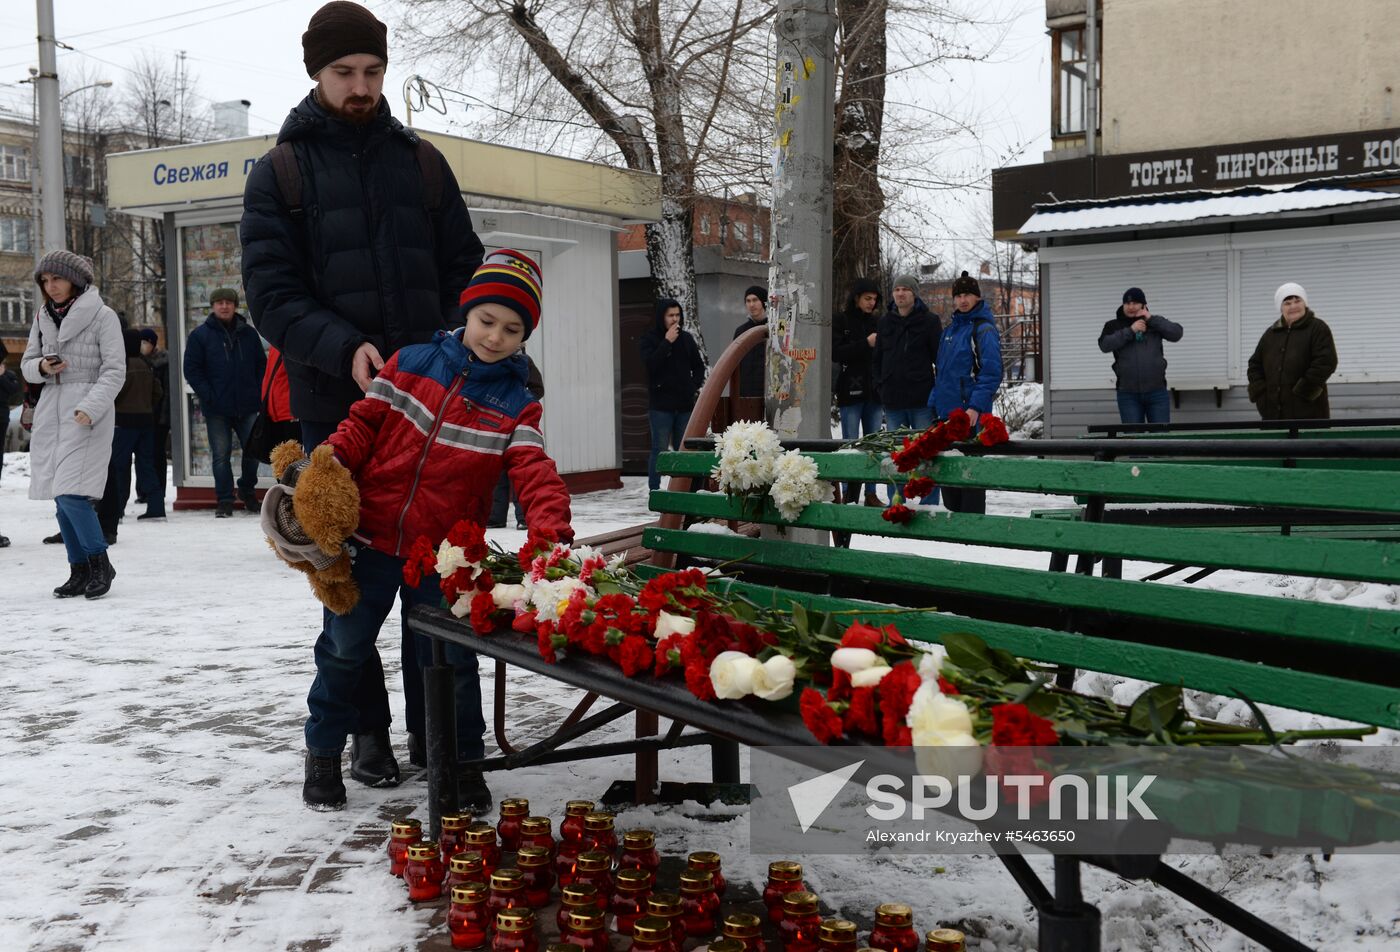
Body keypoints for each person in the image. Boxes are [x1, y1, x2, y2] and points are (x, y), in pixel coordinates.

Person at [241, 0, 485, 788]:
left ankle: (443, 742)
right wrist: (344, 348)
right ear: (316, 71)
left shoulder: (421, 163)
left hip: (434, 415)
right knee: (349, 580)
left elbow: (466, 274)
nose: (361, 86)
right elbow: (270, 295)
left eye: (373, 71)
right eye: (345, 72)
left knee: (434, 574)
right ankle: (366, 737)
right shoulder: (278, 172)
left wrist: (453, 351)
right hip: (335, 410)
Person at [296, 250, 572, 810]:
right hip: (369, 541)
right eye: (486, 320)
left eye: (512, 328)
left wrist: (551, 537)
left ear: (526, 336)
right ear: (466, 313)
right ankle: (323, 751)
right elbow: (362, 425)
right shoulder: (412, 362)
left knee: (450, 662)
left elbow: (536, 475)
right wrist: (328, 462)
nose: (495, 336)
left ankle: (461, 761)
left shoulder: (519, 406)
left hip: (442, 555)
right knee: (343, 650)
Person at [20, 250, 125, 599]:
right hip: (52, 405)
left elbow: (114, 371)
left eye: (57, 279)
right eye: (45, 281)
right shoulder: (42, 316)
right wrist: (43, 369)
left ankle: (99, 562)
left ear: (75, 280)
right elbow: (26, 363)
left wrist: (90, 407)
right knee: (59, 495)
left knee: (72, 492)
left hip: (88, 410)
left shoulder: (103, 315)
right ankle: (78, 568)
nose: (51, 287)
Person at [183, 288, 267, 518]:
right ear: (212, 306)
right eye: (219, 302)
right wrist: (209, 395)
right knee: (221, 455)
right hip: (217, 408)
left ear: (235, 306)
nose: (224, 306)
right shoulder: (200, 336)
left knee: (253, 453)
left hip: (248, 405)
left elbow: (262, 365)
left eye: (229, 302)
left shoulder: (249, 334)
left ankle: (247, 491)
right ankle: (225, 500)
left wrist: (258, 393)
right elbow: (191, 369)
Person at [928, 271, 1003, 515]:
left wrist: (975, 407)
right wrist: (934, 406)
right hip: (946, 417)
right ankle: (955, 538)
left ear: (977, 297)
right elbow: (942, 374)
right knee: (950, 479)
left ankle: (973, 537)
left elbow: (991, 373)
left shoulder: (983, 330)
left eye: (967, 294)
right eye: (958, 295)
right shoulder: (949, 331)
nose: (962, 300)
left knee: (969, 479)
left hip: (970, 417)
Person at [98, 329, 165, 541]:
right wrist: (147, 406)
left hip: (123, 422)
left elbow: (113, 392)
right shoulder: (147, 364)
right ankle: (156, 507)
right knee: (147, 464)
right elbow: (158, 392)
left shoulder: (122, 365)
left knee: (119, 466)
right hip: (146, 421)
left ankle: (117, 509)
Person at [640, 298, 706, 492]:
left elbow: (699, 367)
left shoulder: (686, 339)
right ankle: (654, 490)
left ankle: (684, 490)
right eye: (670, 315)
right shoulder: (650, 339)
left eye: (677, 315)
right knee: (659, 450)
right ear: (662, 317)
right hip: (661, 406)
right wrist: (667, 342)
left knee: (684, 451)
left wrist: (692, 387)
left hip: (684, 405)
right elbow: (650, 365)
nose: (674, 319)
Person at [1247, 282, 1338, 420]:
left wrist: (1304, 392)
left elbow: (1326, 362)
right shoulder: (1271, 334)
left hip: (1309, 412)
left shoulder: (1317, 328)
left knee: (1308, 442)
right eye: (1287, 303)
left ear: (1305, 303)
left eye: (1297, 301)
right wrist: (1261, 394)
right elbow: (1254, 365)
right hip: (1273, 415)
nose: (1293, 306)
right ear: (1280, 307)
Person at [1097, 287, 1184, 425]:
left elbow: (1177, 333)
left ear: (1143, 304)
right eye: (1127, 303)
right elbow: (1104, 345)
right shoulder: (1113, 325)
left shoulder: (1155, 323)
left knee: (1160, 438)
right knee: (1133, 439)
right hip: (1128, 394)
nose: (1131, 307)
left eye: (1135, 303)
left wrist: (1150, 318)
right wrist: (1131, 330)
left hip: (1157, 393)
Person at [832, 277, 884, 505]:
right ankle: (848, 493)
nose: (871, 303)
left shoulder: (878, 322)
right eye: (867, 298)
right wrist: (866, 343)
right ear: (856, 298)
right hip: (850, 390)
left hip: (874, 391)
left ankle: (870, 493)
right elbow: (836, 352)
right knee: (851, 444)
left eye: (874, 299)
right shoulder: (842, 320)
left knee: (873, 444)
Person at [488, 352, 544, 529]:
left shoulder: (524, 362)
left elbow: (537, 389)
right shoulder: (490, 361)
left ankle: (524, 517)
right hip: (495, 422)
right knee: (497, 472)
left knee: (520, 471)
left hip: (518, 423)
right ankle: (496, 517)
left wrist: (521, 402)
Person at [136, 328, 171, 507]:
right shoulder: (137, 362)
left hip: (158, 418)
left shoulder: (163, 362)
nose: (143, 346)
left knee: (157, 455)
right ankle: (142, 490)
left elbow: (164, 393)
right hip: (142, 417)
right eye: (141, 342)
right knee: (143, 456)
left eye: (146, 342)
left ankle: (158, 490)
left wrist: (164, 418)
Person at [732, 285, 768, 400]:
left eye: (755, 300)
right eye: (748, 301)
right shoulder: (741, 331)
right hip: (745, 395)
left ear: (763, 302)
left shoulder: (775, 329)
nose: (751, 305)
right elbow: (734, 364)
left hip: (769, 394)